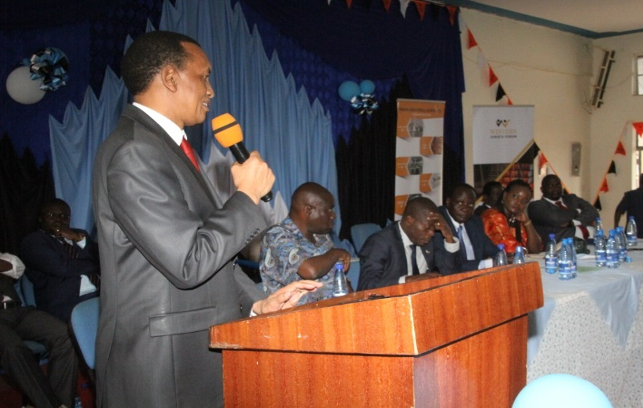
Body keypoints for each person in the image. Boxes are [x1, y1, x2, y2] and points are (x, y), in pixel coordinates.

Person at [91, 31, 321, 408]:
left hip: (195, 349)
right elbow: (190, 261)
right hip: (164, 366)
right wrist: (246, 196)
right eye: (204, 76)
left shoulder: (169, 148)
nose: (211, 90)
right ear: (170, 77)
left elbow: (214, 255)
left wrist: (257, 304)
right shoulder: (135, 151)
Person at [0, 252, 78, 408]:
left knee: (64, 335)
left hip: (17, 310)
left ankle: (58, 402)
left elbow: (18, 267)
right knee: (13, 348)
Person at [260, 182, 351, 304]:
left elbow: (339, 278)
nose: (333, 215)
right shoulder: (276, 236)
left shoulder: (321, 236)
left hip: (332, 310)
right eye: (329, 209)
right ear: (308, 210)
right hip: (295, 313)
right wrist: (336, 253)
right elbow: (310, 271)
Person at [20, 199, 100, 322]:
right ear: (40, 219)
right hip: (66, 303)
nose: (58, 220)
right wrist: (96, 264)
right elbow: (63, 268)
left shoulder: (79, 234)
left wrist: (77, 238)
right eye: (51, 215)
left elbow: (104, 258)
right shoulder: (34, 241)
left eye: (64, 216)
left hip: (101, 294)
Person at [357, 197, 460, 290]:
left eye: (433, 228)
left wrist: (449, 237)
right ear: (409, 220)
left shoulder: (426, 240)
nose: (432, 233)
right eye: (427, 227)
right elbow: (367, 285)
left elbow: (448, 275)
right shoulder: (380, 242)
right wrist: (407, 281)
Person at [438, 183, 499, 271]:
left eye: (470, 205)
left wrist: (504, 257)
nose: (465, 208)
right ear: (448, 201)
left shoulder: (474, 221)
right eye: (460, 203)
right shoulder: (439, 223)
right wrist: (486, 264)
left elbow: (491, 249)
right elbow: (451, 266)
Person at [528, 175, 598, 242]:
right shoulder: (536, 206)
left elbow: (593, 212)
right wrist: (578, 211)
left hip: (593, 237)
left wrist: (574, 222)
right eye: (551, 186)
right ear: (542, 189)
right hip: (563, 244)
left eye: (558, 185)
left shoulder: (572, 199)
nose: (556, 188)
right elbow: (555, 218)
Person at [481, 179, 542, 254]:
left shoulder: (515, 217)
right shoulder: (493, 216)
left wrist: (527, 222)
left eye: (524, 201)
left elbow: (536, 249)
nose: (518, 203)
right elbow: (510, 249)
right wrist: (526, 249)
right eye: (515, 196)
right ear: (505, 195)